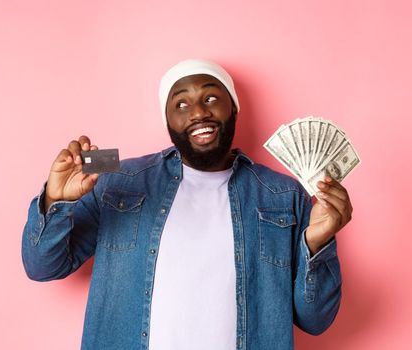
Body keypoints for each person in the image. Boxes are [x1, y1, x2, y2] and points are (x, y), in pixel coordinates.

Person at [21, 59, 351, 349]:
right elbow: (42, 266)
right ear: (167, 122)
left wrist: (318, 243)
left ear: (233, 107)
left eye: (211, 97)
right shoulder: (117, 177)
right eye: (180, 104)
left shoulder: (283, 194)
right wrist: (57, 201)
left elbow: (315, 321)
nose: (198, 112)